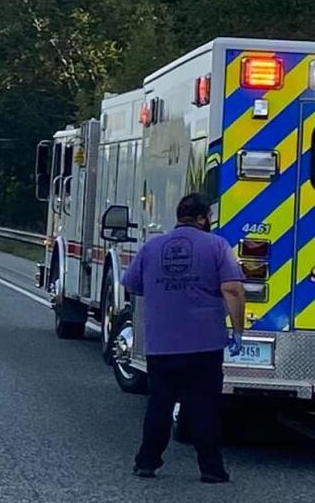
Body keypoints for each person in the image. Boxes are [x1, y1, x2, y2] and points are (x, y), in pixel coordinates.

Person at [121, 193, 245, 483]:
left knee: (160, 404)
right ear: (202, 218)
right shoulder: (217, 246)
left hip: (162, 342)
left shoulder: (152, 247)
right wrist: (238, 330)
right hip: (205, 343)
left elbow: (132, 285)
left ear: (179, 216)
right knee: (204, 407)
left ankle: (146, 462)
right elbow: (233, 289)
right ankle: (211, 469)